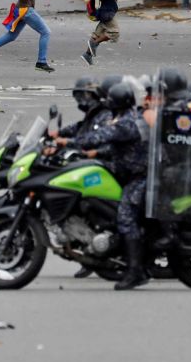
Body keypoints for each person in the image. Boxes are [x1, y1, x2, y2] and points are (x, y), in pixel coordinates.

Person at [55, 82, 150, 290]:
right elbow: (114, 147)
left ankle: (136, 271)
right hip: (128, 172)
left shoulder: (126, 123)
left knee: (125, 217)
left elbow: (98, 137)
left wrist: (68, 143)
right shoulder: (129, 118)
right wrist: (93, 154)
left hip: (138, 176)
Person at [82, 0, 121, 65]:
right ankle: (94, 44)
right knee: (114, 33)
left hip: (108, 11)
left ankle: (87, 54)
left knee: (97, 34)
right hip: (107, 12)